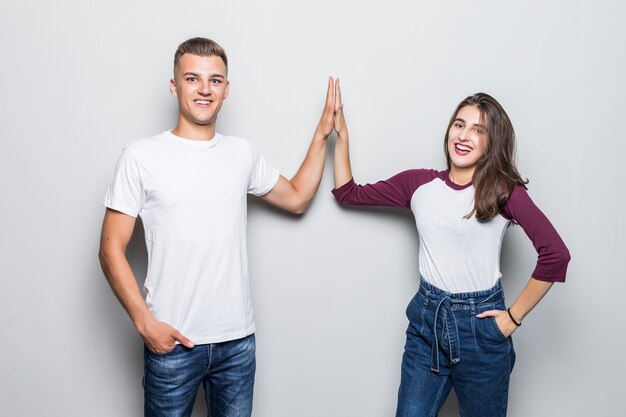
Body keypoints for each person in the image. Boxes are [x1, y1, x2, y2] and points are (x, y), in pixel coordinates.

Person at [98, 37, 339, 417]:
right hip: (172, 344)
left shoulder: (240, 153)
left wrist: (322, 134)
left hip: (237, 344)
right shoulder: (140, 157)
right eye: (193, 79)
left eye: (215, 80)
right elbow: (110, 249)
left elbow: (296, 197)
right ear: (174, 86)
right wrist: (146, 325)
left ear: (227, 89)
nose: (204, 89)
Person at [331, 88, 570, 417]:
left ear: (491, 142)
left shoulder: (503, 192)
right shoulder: (419, 185)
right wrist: (342, 134)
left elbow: (556, 254)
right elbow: (348, 193)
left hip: (481, 332)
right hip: (425, 327)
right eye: (459, 125)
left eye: (478, 130)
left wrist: (513, 317)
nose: (464, 136)